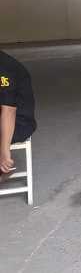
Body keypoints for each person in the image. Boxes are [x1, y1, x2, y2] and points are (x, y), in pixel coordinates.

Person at [0, 51, 37, 179]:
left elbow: (9, 111)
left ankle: (2, 169)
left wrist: (4, 151)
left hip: (18, 122)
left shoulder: (4, 68)